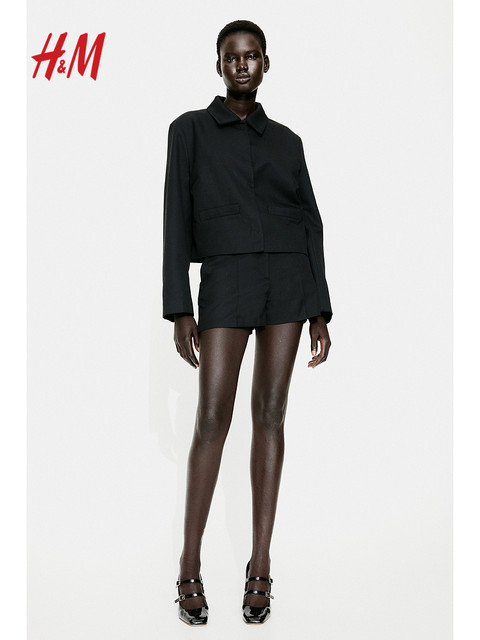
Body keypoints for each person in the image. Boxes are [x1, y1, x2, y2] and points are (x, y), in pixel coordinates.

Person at [162, 19, 333, 625]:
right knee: (213, 417)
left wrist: (319, 307)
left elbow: (310, 221)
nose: (242, 64)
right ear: (219, 65)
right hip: (227, 278)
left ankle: (260, 565)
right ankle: (188, 564)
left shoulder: (287, 141)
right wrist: (180, 306)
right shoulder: (189, 130)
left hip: (287, 279)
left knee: (271, 414)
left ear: (265, 64)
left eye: (252, 55)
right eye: (232, 56)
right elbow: (175, 216)